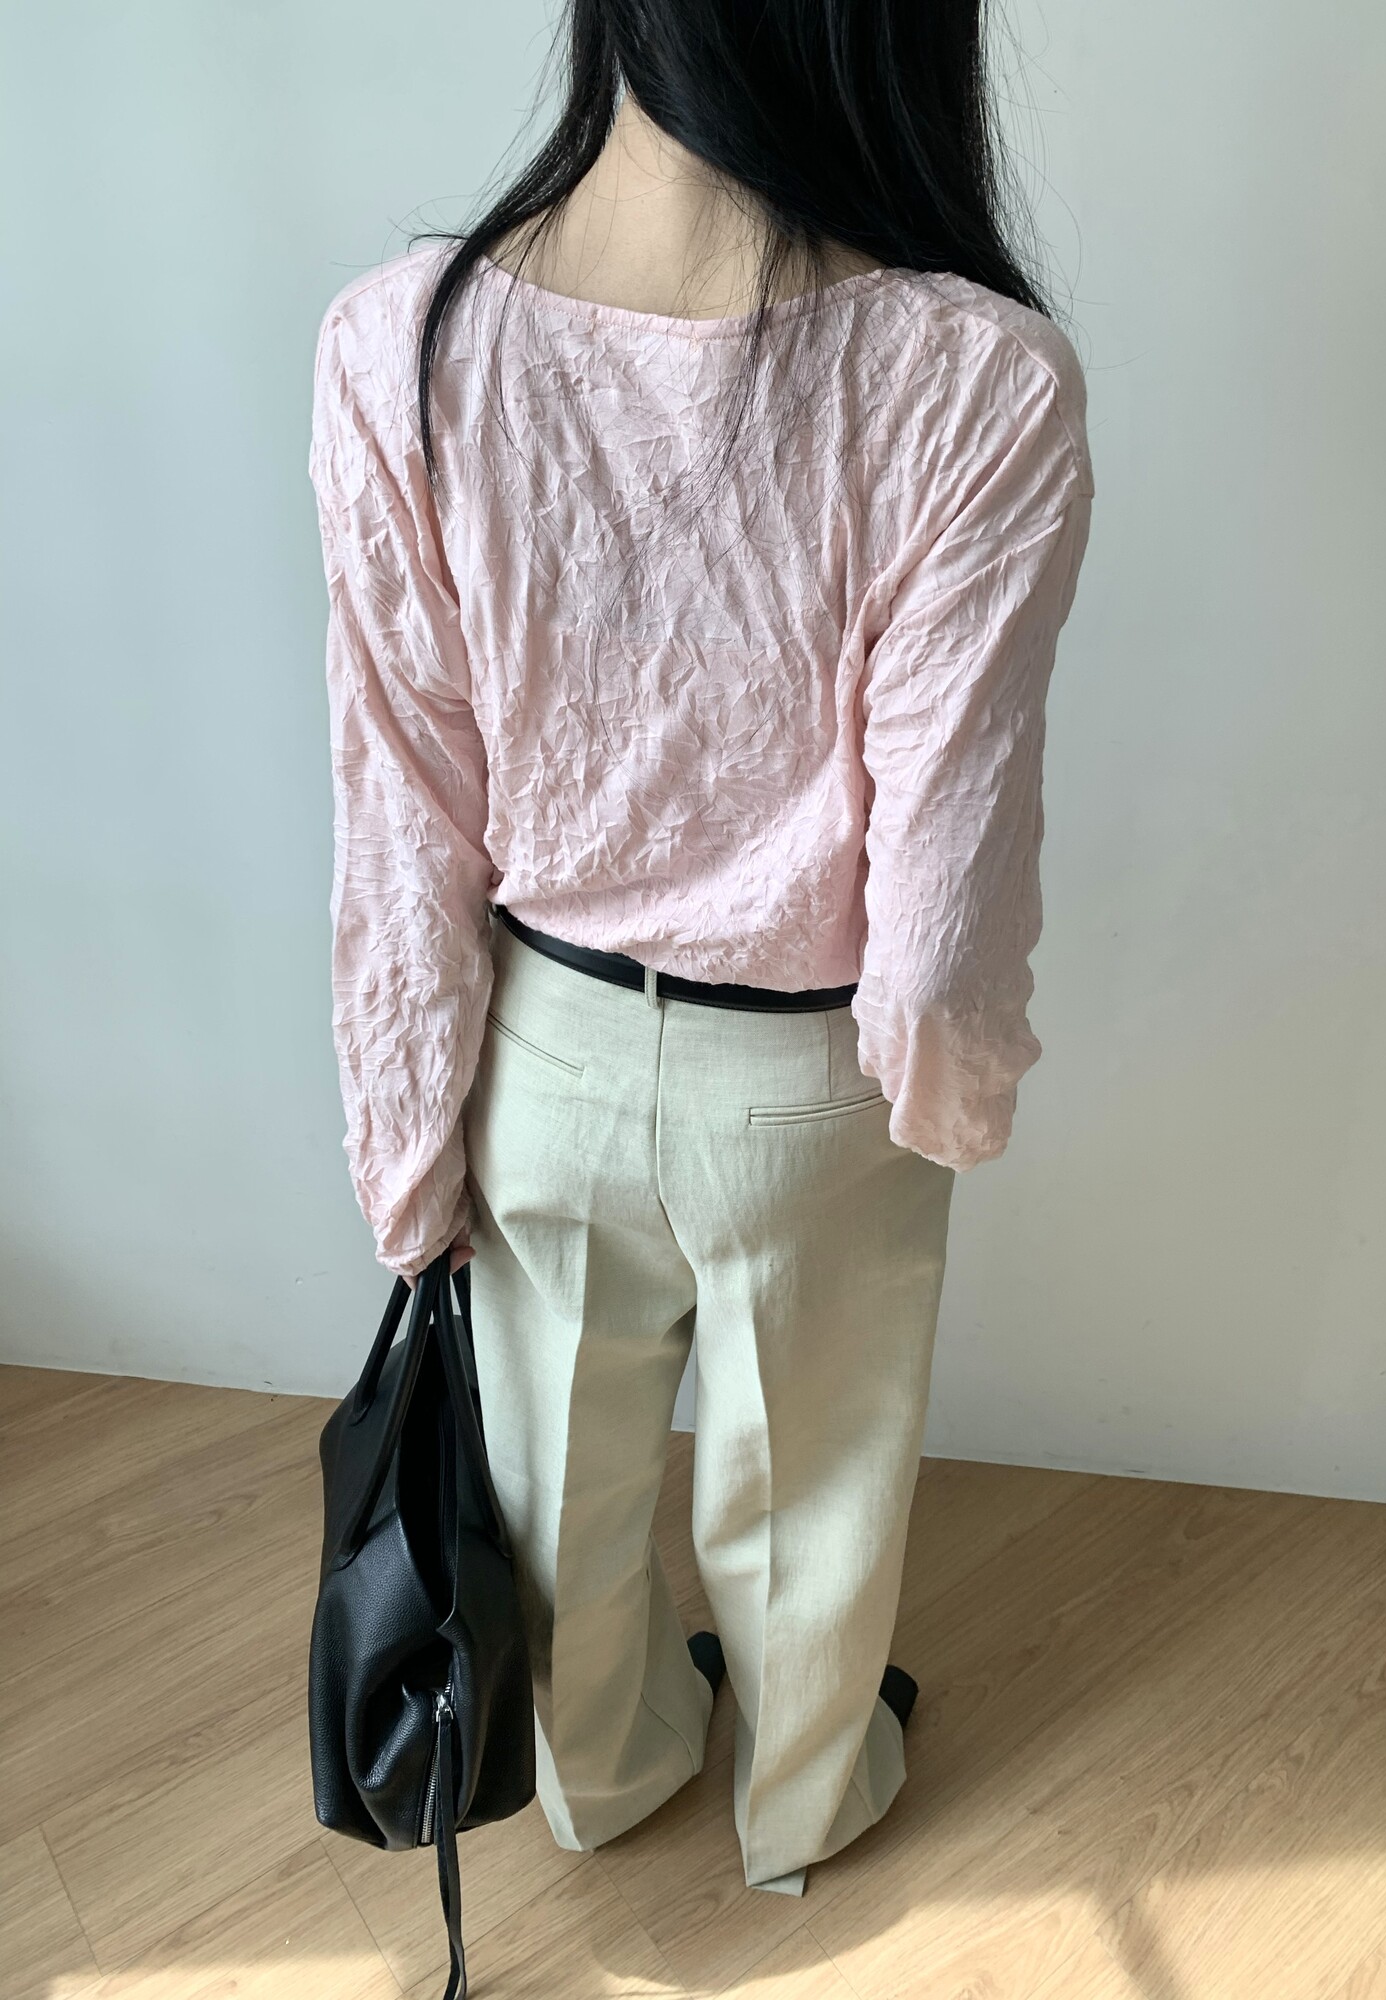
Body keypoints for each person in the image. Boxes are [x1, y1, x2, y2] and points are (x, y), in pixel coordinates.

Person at [307, 0, 1094, 1900]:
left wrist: (407, 1148)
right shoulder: (976, 377)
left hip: (542, 1049)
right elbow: (945, 874)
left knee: (553, 1488)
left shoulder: (404, 341)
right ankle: (805, 1806)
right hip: (814, 1079)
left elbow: (401, 812)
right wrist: (942, 1099)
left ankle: (608, 1775)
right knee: (814, 1487)